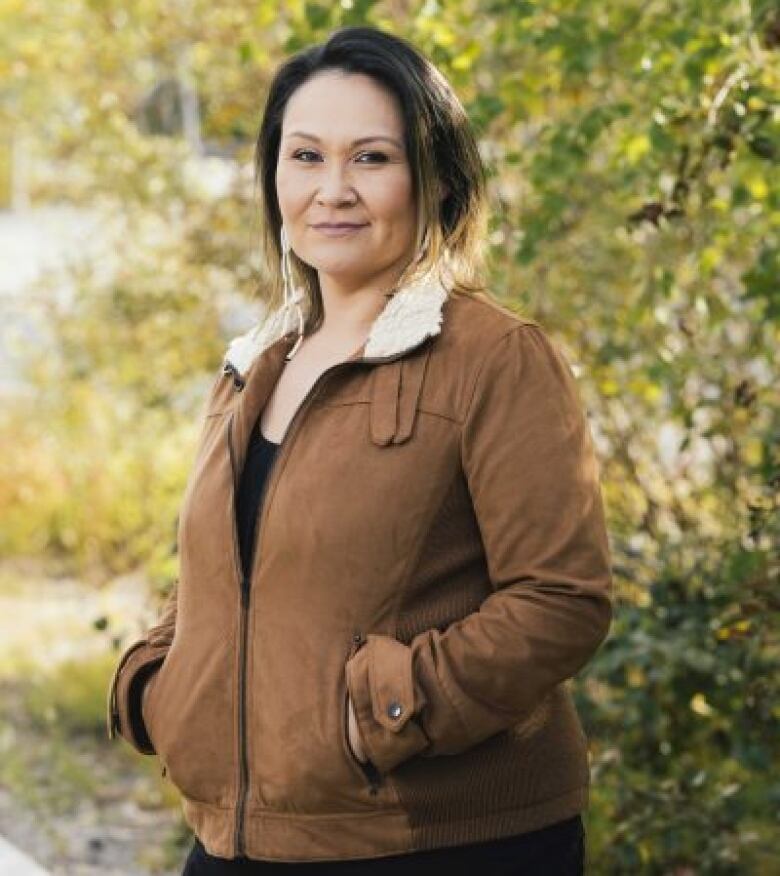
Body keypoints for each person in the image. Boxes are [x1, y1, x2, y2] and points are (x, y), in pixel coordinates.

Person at [106, 24, 613, 875]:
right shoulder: (254, 364)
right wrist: (162, 681)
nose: (332, 190)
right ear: (273, 177)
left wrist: (383, 712)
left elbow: (562, 599)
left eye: (371, 158)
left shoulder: (493, 358)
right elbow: (225, 571)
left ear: (436, 178)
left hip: (440, 844)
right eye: (306, 157)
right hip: (239, 838)